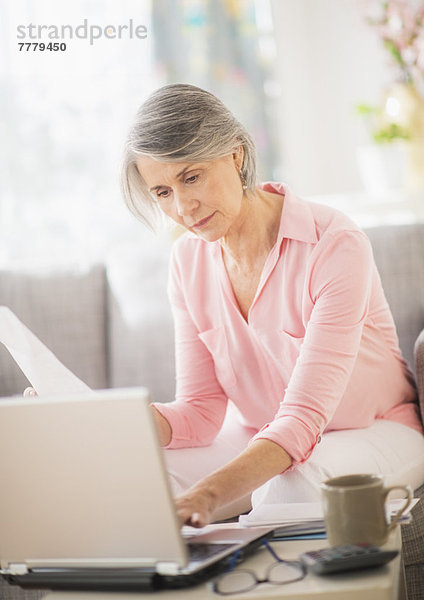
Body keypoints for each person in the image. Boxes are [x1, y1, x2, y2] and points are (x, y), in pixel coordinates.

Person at [119, 82, 424, 528]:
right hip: (263, 432)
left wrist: (208, 494)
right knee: (148, 480)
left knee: (288, 489)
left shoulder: (334, 243)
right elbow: (200, 412)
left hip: (375, 430)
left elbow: (303, 418)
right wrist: (112, 418)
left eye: (191, 176)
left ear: (236, 154)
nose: (183, 207)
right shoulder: (187, 261)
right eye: (162, 192)